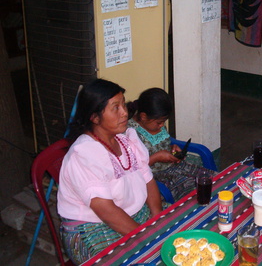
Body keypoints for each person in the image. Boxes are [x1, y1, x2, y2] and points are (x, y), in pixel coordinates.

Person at [57, 79, 162, 264]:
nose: (125, 112)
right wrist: (147, 237)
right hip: (91, 227)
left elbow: (147, 178)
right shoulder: (84, 154)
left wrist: (157, 219)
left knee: (179, 234)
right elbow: (106, 210)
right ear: (95, 117)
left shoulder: (125, 139)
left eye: (123, 104)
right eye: (116, 107)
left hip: (131, 214)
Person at [127, 87, 216, 201]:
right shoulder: (130, 133)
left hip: (176, 167)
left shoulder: (154, 122)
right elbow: (132, 169)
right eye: (159, 122)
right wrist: (157, 157)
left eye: (163, 122)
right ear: (143, 116)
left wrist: (172, 149)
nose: (162, 125)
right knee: (195, 194)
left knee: (211, 179)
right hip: (157, 176)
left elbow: (162, 144)